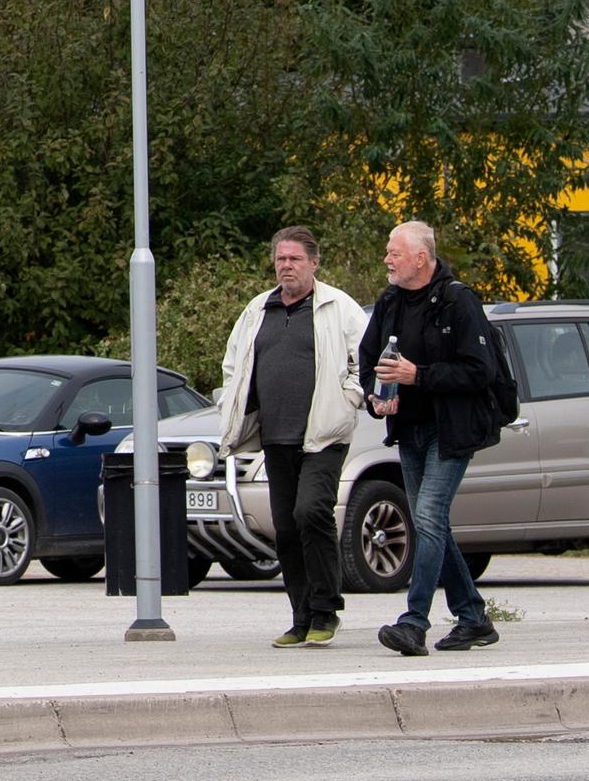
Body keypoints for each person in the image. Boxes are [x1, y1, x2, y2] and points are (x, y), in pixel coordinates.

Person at [354, 219, 505, 657]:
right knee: (429, 522)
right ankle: (473, 617)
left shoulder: (458, 302)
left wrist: (417, 376)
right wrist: (376, 397)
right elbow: (367, 359)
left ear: (421, 258)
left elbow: (481, 370)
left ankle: (413, 622)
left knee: (430, 517)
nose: (387, 259)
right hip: (410, 429)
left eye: (394, 253)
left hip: (452, 430)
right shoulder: (390, 302)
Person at [213, 226, 366, 648]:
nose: (286, 266)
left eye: (295, 259)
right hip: (275, 438)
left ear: (314, 263)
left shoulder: (339, 307)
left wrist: (349, 396)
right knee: (285, 528)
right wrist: (233, 403)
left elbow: (365, 358)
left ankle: (326, 609)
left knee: (310, 512)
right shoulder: (258, 309)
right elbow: (234, 364)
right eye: (281, 259)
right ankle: (301, 618)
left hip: (324, 434)